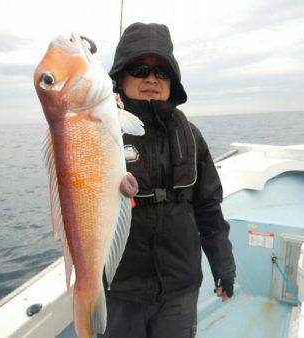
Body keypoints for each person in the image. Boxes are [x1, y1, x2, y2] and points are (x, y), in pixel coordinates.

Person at [99, 22, 236, 338]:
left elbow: (209, 210)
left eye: (161, 72)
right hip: (120, 290)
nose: (151, 78)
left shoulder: (190, 136)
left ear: (173, 81)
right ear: (119, 77)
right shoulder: (101, 133)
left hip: (179, 288)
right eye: (139, 69)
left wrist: (223, 266)